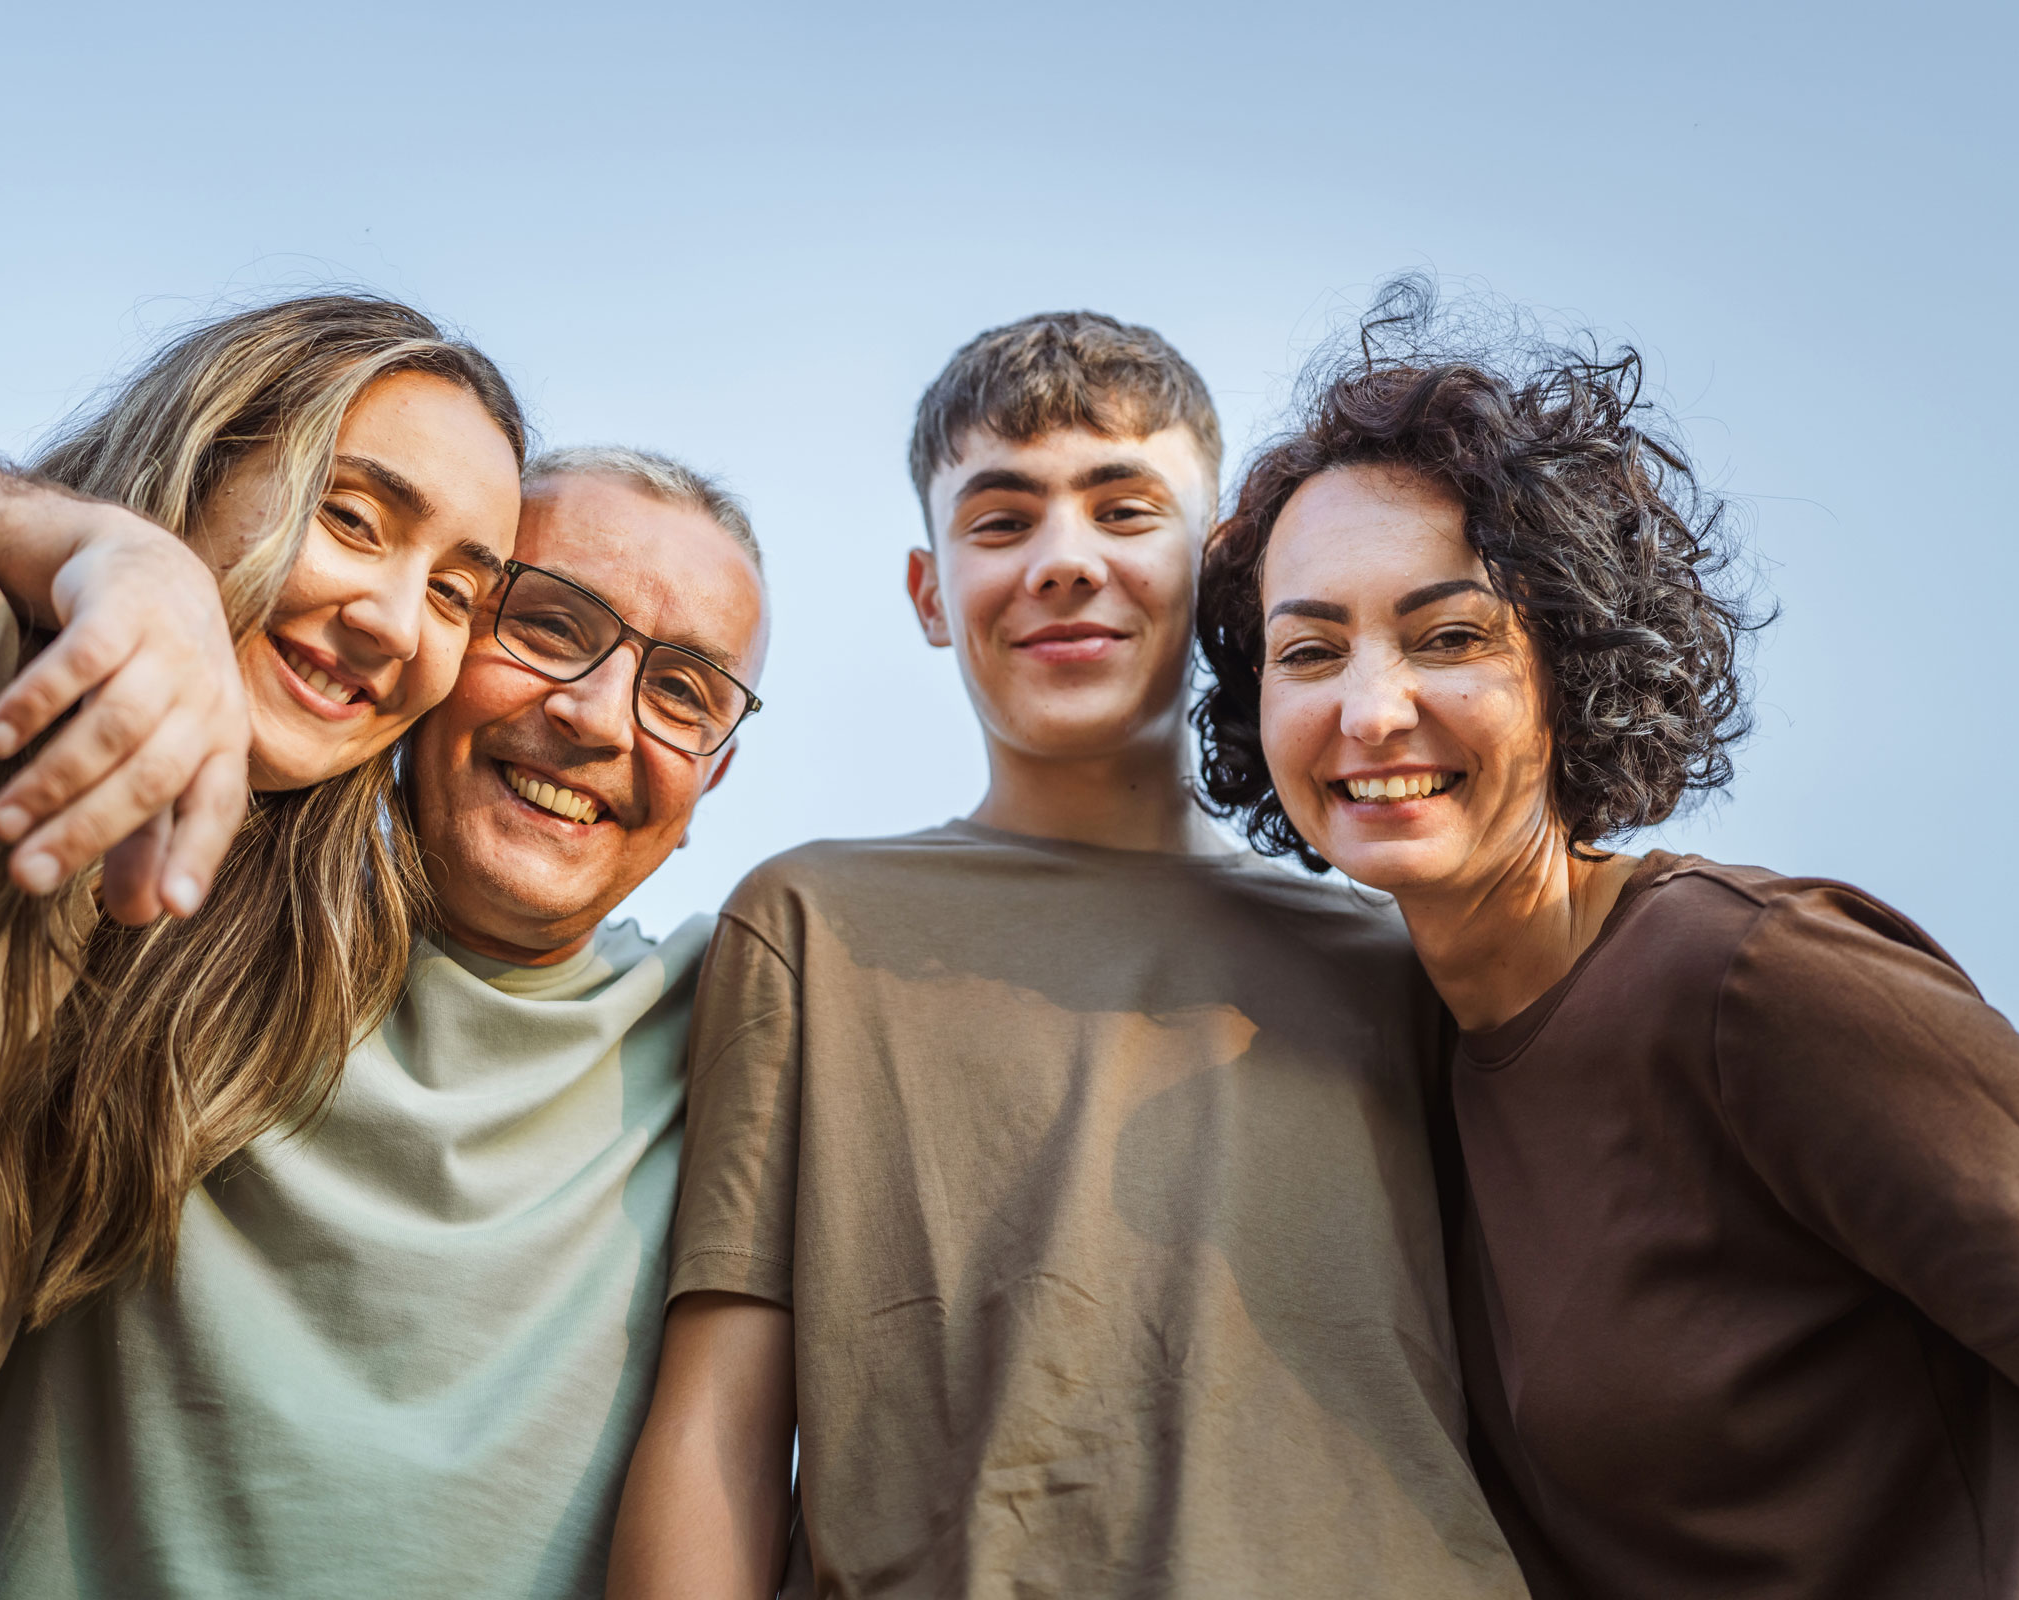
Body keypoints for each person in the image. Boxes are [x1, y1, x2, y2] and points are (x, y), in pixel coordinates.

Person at [609, 313, 1525, 1597]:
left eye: (1123, 508)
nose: (1063, 561)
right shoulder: (814, 923)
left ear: (1220, 576)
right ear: (932, 593)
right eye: (1000, 520)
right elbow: (722, 1423)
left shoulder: (1398, 954)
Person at [0, 294, 526, 1600]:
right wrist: (86, 546)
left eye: (457, 596)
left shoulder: (165, 1009)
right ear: (199, 464)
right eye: (352, 518)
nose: (398, 622)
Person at [1193, 280, 2019, 1599]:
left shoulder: (1750, 981)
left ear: (1571, 658)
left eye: (1451, 636)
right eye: (1311, 652)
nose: (1370, 711)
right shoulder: (1398, 1058)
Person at [0, 446, 770, 1600]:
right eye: (548, 625)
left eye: (683, 693)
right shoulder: (155, 897)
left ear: (710, 782)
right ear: (437, 637)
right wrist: (115, 554)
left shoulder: (747, 1026)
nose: (596, 717)